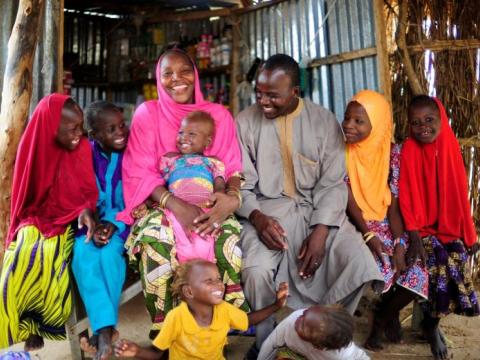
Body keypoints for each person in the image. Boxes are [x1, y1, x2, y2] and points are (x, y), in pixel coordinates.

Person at [235, 54, 383, 354]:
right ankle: (268, 342)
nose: (263, 101)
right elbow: (241, 183)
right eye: (259, 93)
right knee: (255, 269)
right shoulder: (244, 122)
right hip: (266, 213)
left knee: (359, 263)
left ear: (294, 93)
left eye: (272, 95)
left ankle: (323, 336)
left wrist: (321, 231)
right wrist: (258, 218)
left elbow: (332, 183)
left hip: (318, 212)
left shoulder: (323, 120)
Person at [118, 46, 249, 338]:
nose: (177, 79)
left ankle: (218, 328)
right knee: (155, 243)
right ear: (158, 78)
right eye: (168, 73)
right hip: (161, 205)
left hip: (210, 205)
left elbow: (230, 168)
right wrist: (175, 205)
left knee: (229, 244)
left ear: (196, 75)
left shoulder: (217, 116)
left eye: (185, 71)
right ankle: (164, 330)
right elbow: (140, 170)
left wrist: (230, 199)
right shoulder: (147, 114)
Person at [0, 94, 98, 350]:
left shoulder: (82, 148)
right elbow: (25, 198)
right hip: (36, 215)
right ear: (50, 127)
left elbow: (87, 192)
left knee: (50, 252)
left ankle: (41, 324)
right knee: (20, 253)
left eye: (81, 126)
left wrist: (85, 209)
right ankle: (25, 324)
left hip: (70, 218)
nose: (79, 133)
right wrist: (29, 224)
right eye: (72, 129)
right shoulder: (32, 146)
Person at [342, 90, 428, 349]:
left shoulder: (392, 154)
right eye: (347, 118)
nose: (349, 125)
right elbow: (350, 204)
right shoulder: (341, 152)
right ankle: (383, 320)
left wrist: (400, 242)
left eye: (359, 121)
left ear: (377, 123)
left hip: (387, 223)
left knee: (417, 269)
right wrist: (370, 237)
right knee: (383, 265)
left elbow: (395, 205)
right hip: (354, 224)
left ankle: (383, 316)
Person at [399, 95, 479, 360]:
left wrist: (468, 234)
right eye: (416, 122)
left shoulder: (448, 145)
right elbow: (407, 196)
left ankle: (431, 323)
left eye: (429, 120)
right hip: (420, 230)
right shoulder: (410, 148)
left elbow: (458, 194)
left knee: (458, 260)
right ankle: (430, 328)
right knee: (441, 265)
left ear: (441, 119)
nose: (423, 127)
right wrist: (414, 236)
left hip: (446, 228)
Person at [114, 259, 289, 359]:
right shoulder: (176, 317)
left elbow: (247, 320)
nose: (219, 284)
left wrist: (276, 306)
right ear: (189, 291)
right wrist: (136, 351)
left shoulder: (224, 309)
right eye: (209, 281)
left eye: (218, 278)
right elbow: (157, 353)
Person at [71, 101, 129, 359]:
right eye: (111, 129)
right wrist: (92, 222)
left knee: (109, 256)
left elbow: (137, 198)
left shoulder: (132, 154)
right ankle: (107, 332)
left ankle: (101, 335)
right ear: (93, 135)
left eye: (122, 125)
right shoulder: (84, 154)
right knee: (83, 255)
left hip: (123, 222)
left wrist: (114, 224)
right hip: (89, 222)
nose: (121, 132)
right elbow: (77, 195)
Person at [157, 110, 228, 263]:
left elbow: (220, 183)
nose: (184, 137)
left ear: (207, 142)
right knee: (180, 239)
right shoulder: (171, 159)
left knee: (206, 239)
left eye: (192, 134)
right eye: (181, 132)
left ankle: (202, 270)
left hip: (204, 209)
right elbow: (159, 183)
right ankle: (185, 271)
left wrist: (219, 196)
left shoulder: (213, 162)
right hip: (176, 209)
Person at [258, 305, 369, 360]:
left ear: (319, 346)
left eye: (303, 326)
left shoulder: (343, 355)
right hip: (293, 353)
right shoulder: (292, 321)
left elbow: (360, 357)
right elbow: (270, 345)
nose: (298, 319)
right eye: (305, 313)